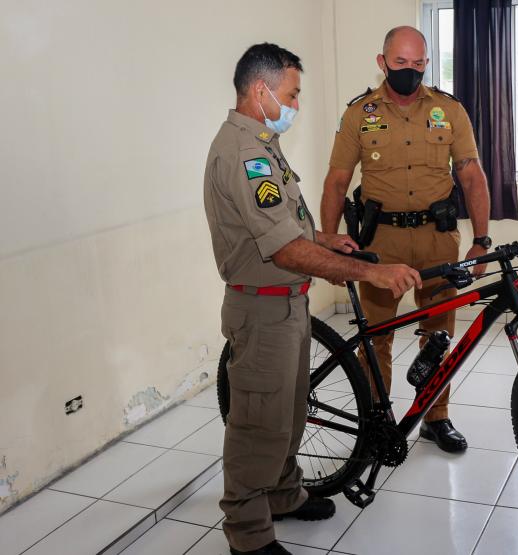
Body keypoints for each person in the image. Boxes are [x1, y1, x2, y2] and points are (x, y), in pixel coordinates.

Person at [203, 43, 422, 555]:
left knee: (289, 410)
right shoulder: (244, 154)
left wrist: (325, 239)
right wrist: (372, 271)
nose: (296, 105)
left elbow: (285, 226)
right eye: (292, 94)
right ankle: (248, 533)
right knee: (258, 424)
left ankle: (283, 493)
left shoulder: (262, 142)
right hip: (262, 307)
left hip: (287, 302)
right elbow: (282, 249)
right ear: (261, 90)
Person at [320, 26, 491, 453]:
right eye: (400, 62)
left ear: (427, 64)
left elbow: (471, 175)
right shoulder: (359, 114)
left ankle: (436, 416)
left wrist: (482, 240)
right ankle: (376, 421)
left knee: (439, 334)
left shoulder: (449, 110)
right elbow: (337, 181)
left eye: (418, 63)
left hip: (438, 239)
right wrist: (329, 244)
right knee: (376, 337)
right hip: (381, 244)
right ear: (382, 62)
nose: (409, 71)